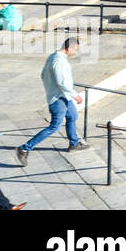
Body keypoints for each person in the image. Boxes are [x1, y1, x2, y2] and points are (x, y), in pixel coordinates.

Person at [17, 37, 90, 166]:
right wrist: (75, 95)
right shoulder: (59, 61)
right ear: (69, 48)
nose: (75, 53)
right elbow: (62, 82)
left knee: (72, 116)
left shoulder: (53, 57)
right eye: (75, 50)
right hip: (59, 98)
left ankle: (74, 143)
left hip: (63, 96)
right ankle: (24, 148)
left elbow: (43, 75)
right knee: (54, 126)